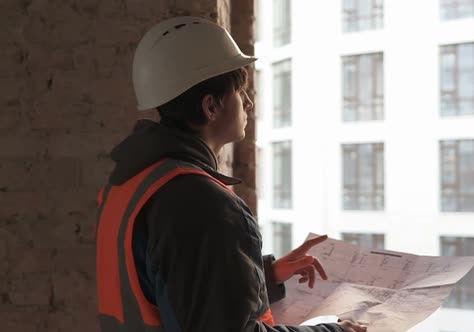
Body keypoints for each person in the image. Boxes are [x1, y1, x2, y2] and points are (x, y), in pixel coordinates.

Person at [95, 16, 367, 332]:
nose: (249, 103)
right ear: (211, 107)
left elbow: (176, 294)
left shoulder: (133, 183)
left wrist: (263, 276)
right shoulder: (200, 203)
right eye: (240, 91)